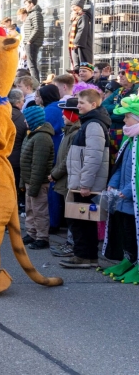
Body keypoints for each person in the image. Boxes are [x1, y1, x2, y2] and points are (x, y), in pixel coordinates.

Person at [60, 89, 111, 269]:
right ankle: (87, 256)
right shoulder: (89, 122)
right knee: (83, 221)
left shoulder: (94, 125)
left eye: (82, 103)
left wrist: (85, 184)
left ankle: (83, 256)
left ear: (93, 104)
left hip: (86, 184)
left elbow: (93, 157)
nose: (78, 106)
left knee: (81, 221)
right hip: (83, 182)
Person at [102, 95, 139, 284]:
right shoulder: (129, 140)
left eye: (127, 117)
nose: (124, 120)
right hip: (124, 200)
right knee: (127, 232)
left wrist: (128, 190)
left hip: (132, 198)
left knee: (134, 231)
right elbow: (120, 165)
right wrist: (113, 183)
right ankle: (129, 259)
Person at [48, 97, 82, 258]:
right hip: (64, 178)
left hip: (70, 179)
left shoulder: (75, 133)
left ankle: (72, 244)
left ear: (73, 114)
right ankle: (70, 242)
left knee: (73, 215)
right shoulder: (68, 132)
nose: (62, 115)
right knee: (69, 213)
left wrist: (55, 174)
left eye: (65, 112)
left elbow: (69, 158)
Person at [20, 105, 55, 250]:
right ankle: (32, 233)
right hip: (30, 180)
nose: (24, 121)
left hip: (38, 182)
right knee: (30, 209)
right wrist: (23, 182)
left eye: (26, 119)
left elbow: (39, 165)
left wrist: (33, 186)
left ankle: (42, 237)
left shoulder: (42, 137)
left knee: (39, 211)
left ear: (33, 120)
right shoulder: (32, 134)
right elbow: (25, 161)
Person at [103, 60, 139, 158]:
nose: (120, 75)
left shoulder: (137, 92)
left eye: (123, 72)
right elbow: (103, 106)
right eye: (119, 72)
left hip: (127, 135)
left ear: (133, 74)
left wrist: (112, 112)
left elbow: (125, 115)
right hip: (112, 133)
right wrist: (119, 107)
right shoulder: (119, 90)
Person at [8, 89, 27, 214]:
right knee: (14, 187)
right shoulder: (23, 118)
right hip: (16, 160)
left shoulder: (0, 114)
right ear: (19, 102)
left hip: (1, 157)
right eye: (22, 101)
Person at [22, 0, 44, 80]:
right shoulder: (32, 14)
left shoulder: (35, 14)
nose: (25, 6)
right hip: (31, 42)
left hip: (32, 43)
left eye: (26, 4)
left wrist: (29, 41)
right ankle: (35, 82)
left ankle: (36, 83)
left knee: (32, 65)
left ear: (31, 4)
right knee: (31, 65)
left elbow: (37, 28)